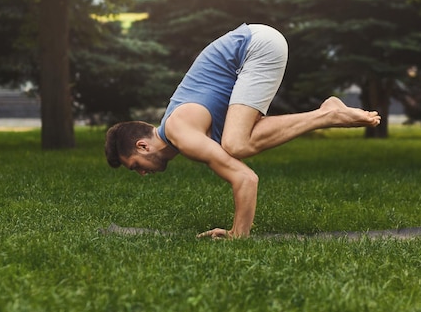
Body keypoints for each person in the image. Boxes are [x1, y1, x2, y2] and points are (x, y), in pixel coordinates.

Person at [104, 23, 381, 239]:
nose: (141, 173)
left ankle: (327, 114)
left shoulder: (180, 133)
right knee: (235, 141)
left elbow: (246, 178)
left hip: (255, 46)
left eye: (135, 166)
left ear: (142, 146)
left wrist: (239, 235)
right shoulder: (183, 130)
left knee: (235, 145)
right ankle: (327, 112)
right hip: (255, 44)